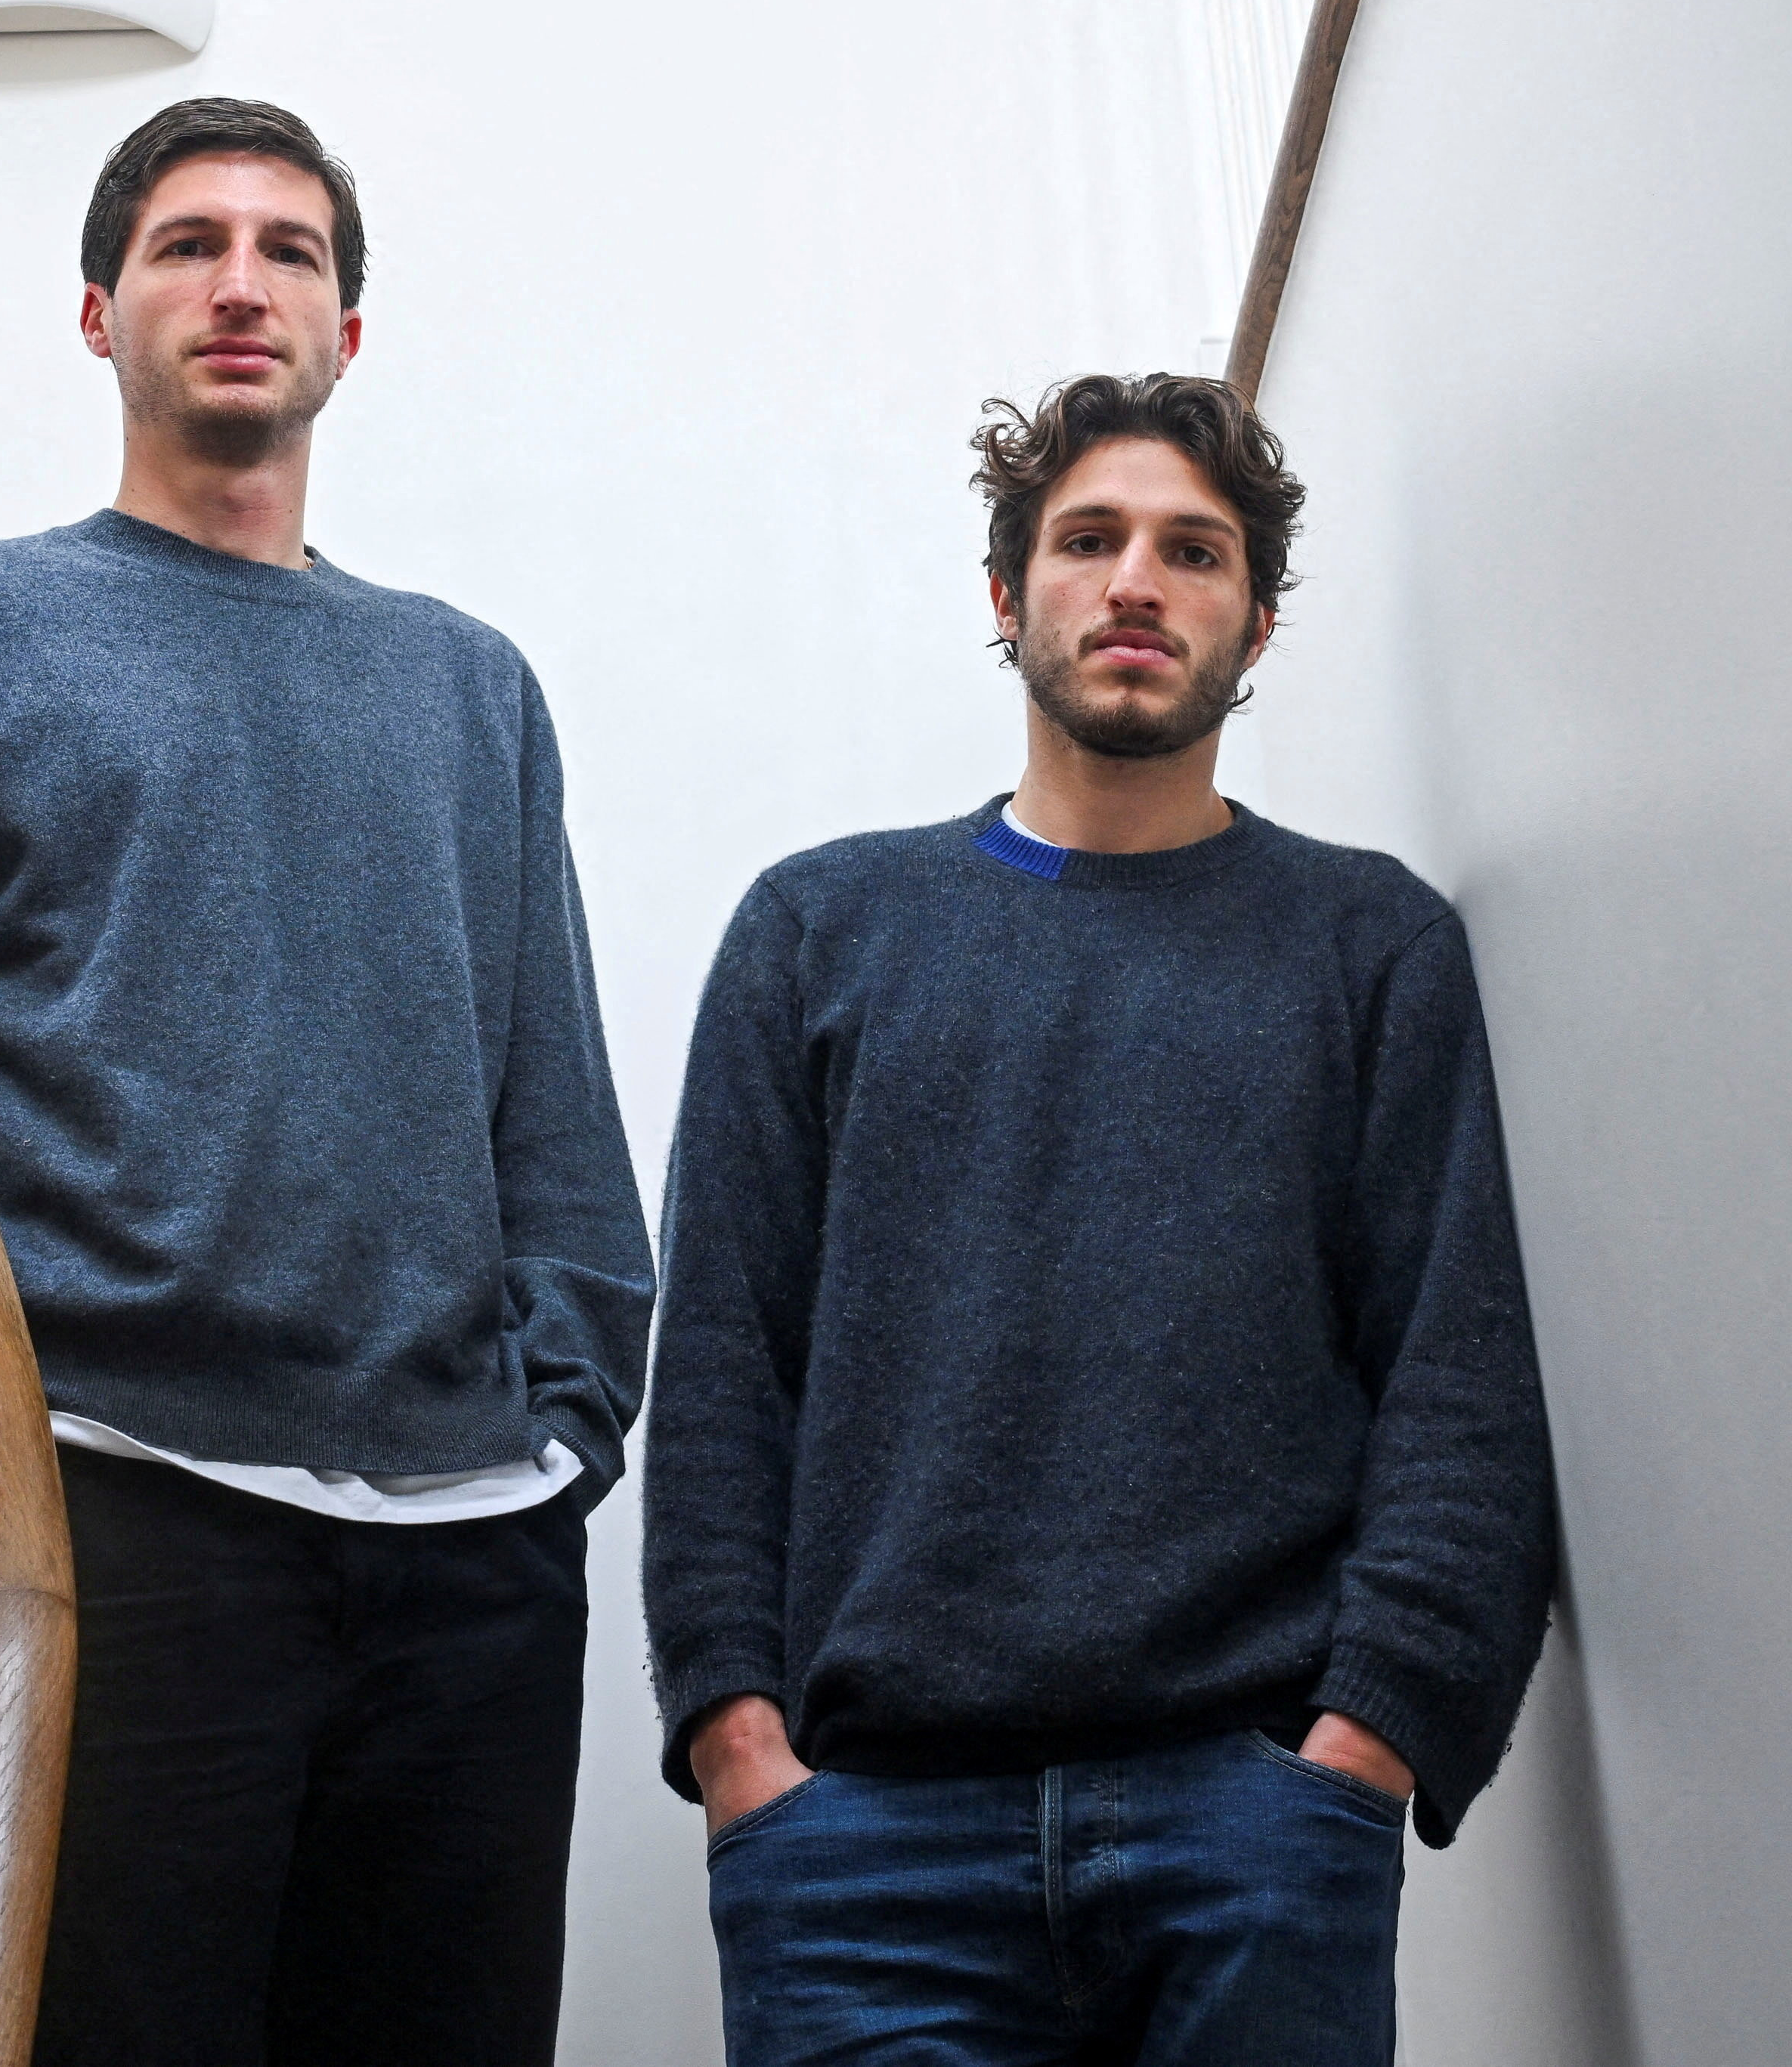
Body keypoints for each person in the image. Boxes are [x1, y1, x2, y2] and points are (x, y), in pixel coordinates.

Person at [0, 97, 652, 2067]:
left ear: (345, 335)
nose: (241, 281)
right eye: (187, 243)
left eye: (288, 251)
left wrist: (562, 1435)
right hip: (94, 1515)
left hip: (466, 1554)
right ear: (97, 312)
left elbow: (551, 1103)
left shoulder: (468, 684)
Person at [640, 370, 1558, 2067]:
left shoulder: (1372, 949)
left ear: (1255, 622)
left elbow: (1461, 1387)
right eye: (1088, 540)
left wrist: (1365, 1750)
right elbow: (715, 1373)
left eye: (1193, 551)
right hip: (864, 1861)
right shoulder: (817, 932)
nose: (1136, 581)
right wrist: (736, 1741)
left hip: (1252, 1833)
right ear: (1009, 594)